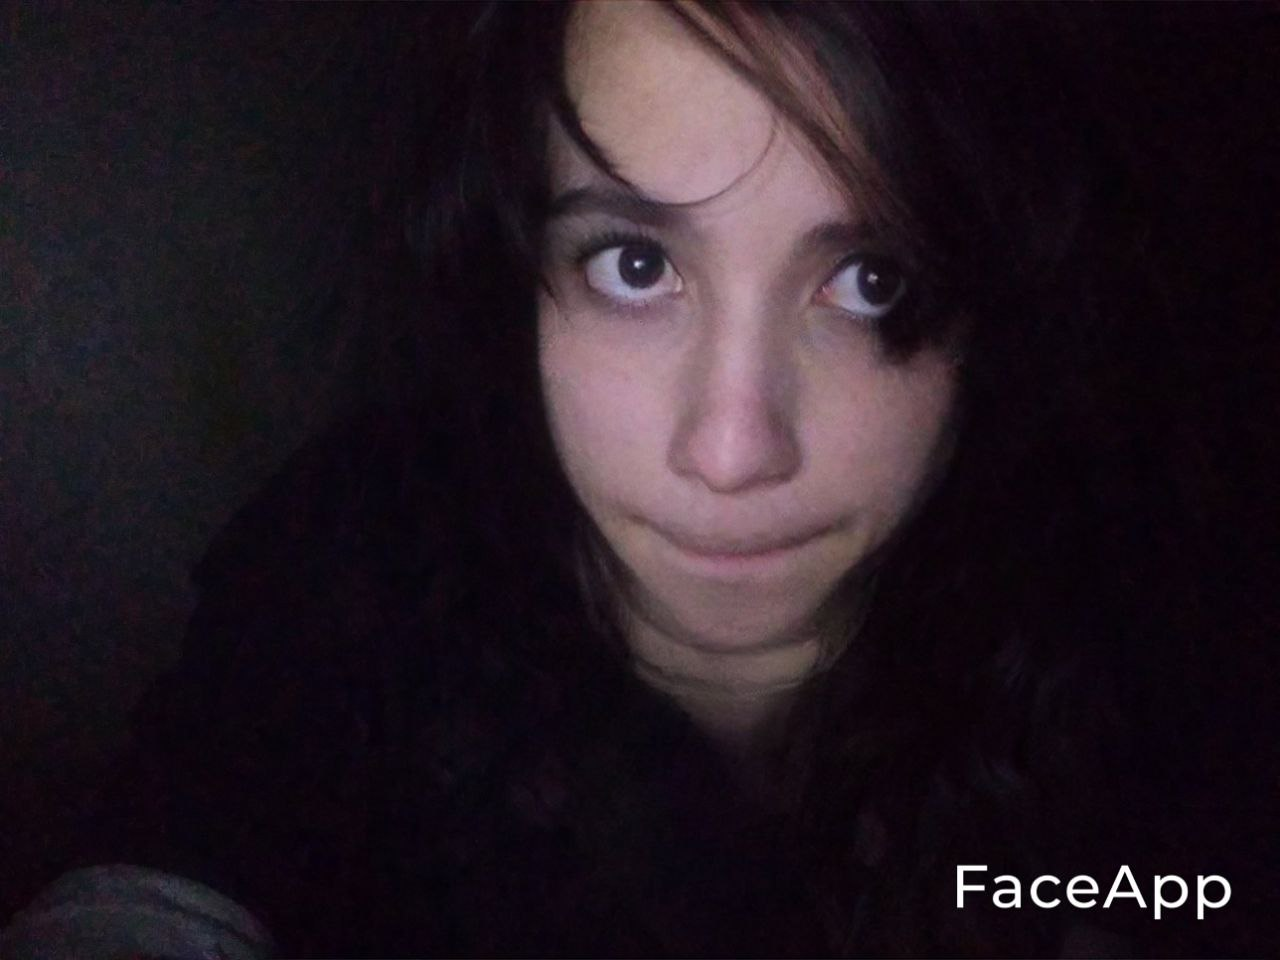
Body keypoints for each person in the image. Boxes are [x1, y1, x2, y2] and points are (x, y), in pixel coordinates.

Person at [3, 2, 1269, 956]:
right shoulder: (361, 556)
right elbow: (161, 888)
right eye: (633, 265)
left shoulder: (1147, 618)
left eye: (871, 279)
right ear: (522, 273)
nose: (729, 449)